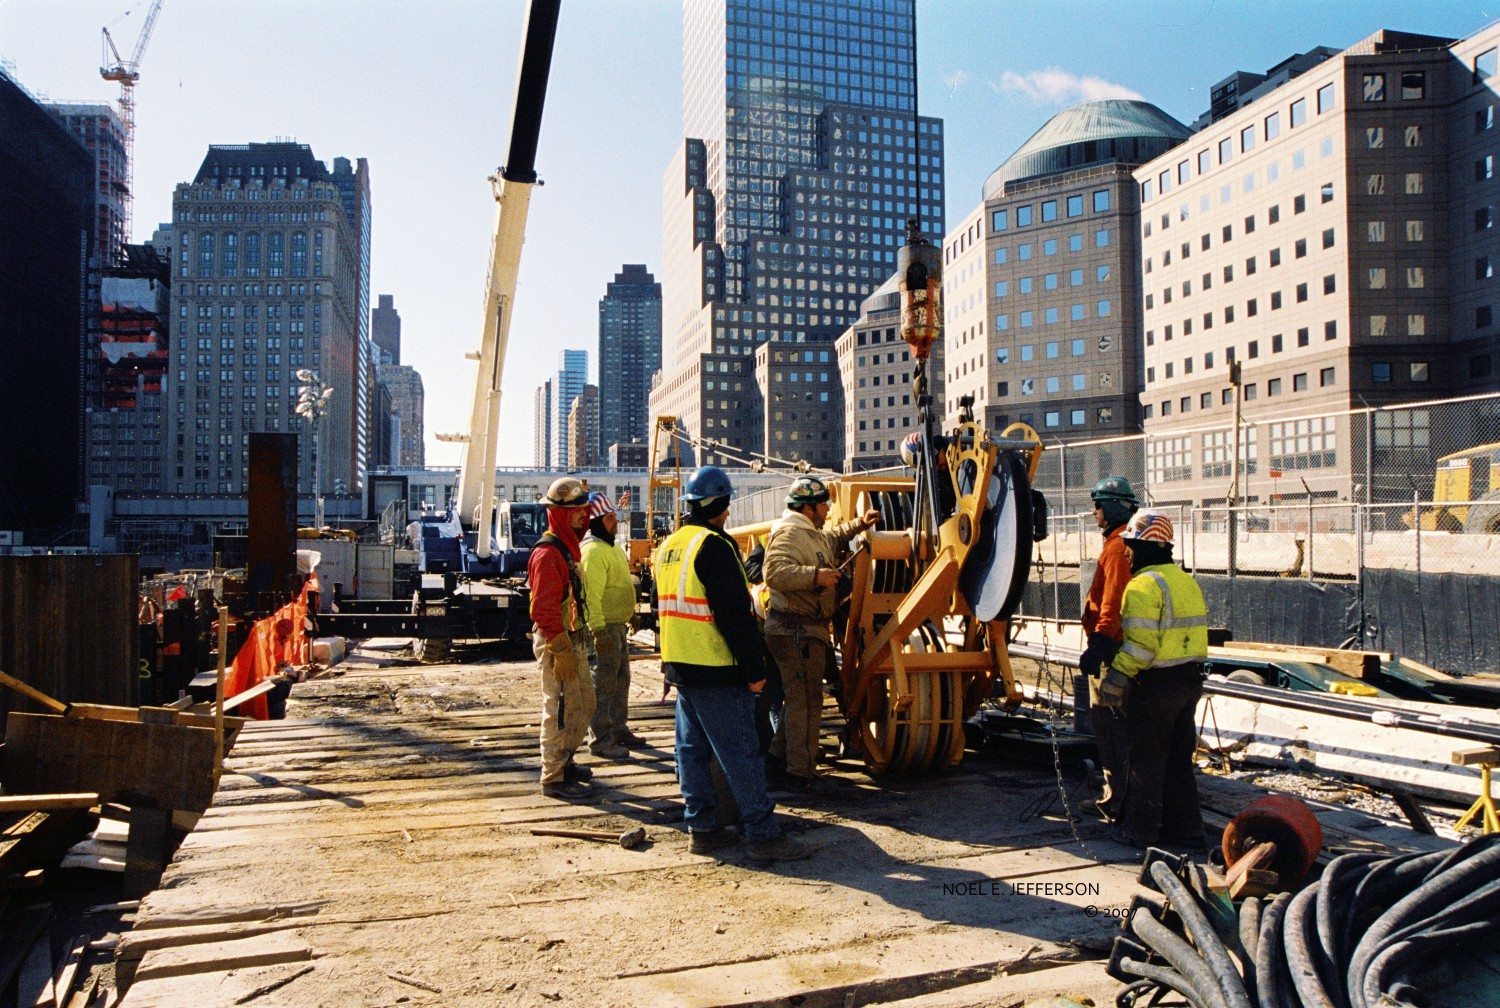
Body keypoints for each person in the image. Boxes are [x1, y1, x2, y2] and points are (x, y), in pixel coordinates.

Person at [656, 465, 808, 861]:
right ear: (720, 504)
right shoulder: (715, 547)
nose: (727, 513)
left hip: (682, 667)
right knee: (740, 752)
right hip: (716, 667)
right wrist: (755, 671)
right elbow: (735, 616)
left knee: (690, 751)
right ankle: (762, 833)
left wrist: (668, 662)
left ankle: (703, 829)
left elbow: (665, 609)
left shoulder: (670, 547)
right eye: (726, 505)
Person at [1096, 510, 1209, 851]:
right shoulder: (1185, 581)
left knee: (1145, 761)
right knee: (1177, 760)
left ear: (1146, 547)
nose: (1126, 552)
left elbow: (1141, 647)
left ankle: (1139, 833)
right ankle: (1187, 833)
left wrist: (1114, 681)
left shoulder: (1143, 586)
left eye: (1130, 545)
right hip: (1189, 681)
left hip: (1155, 685)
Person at [762, 475, 879, 794]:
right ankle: (799, 772)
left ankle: (776, 759)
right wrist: (817, 576)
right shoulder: (788, 533)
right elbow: (773, 573)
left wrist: (859, 524)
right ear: (808, 507)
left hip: (804, 630)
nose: (828, 507)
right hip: (794, 629)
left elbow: (833, 538)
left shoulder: (809, 533)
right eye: (823, 503)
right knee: (805, 701)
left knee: (802, 697)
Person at [529, 477, 599, 800]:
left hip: (571, 638)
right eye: (575, 511)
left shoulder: (567, 550)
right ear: (560, 514)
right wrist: (560, 649)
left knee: (582, 703)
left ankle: (566, 760)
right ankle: (553, 775)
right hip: (557, 640)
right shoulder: (548, 555)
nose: (581, 517)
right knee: (559, 707)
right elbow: (543, 608)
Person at [1077, 475, 1140, 823]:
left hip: (1112, 651)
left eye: (1098, 505)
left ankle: (1115, 803)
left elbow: (1112, 603)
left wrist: (1098, 646)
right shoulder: (1127, 542)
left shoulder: (1117, 548)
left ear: (1113, 506)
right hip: (1121, 648)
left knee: (1110, 726)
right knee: (1123, 728)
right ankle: (1125, 798)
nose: (1095, 512)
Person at [580, 491, 644, 758]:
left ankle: (618, 729)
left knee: (620, 680)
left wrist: (630, 611)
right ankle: (600, 739)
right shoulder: (593, 551)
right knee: (602, 684)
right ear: (596, 521)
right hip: (604, 628)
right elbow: (591, 597)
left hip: (616, 625)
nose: (615, 521)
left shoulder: (612, 548)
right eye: (610, 518)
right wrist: (597, 631)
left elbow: (620, 584)